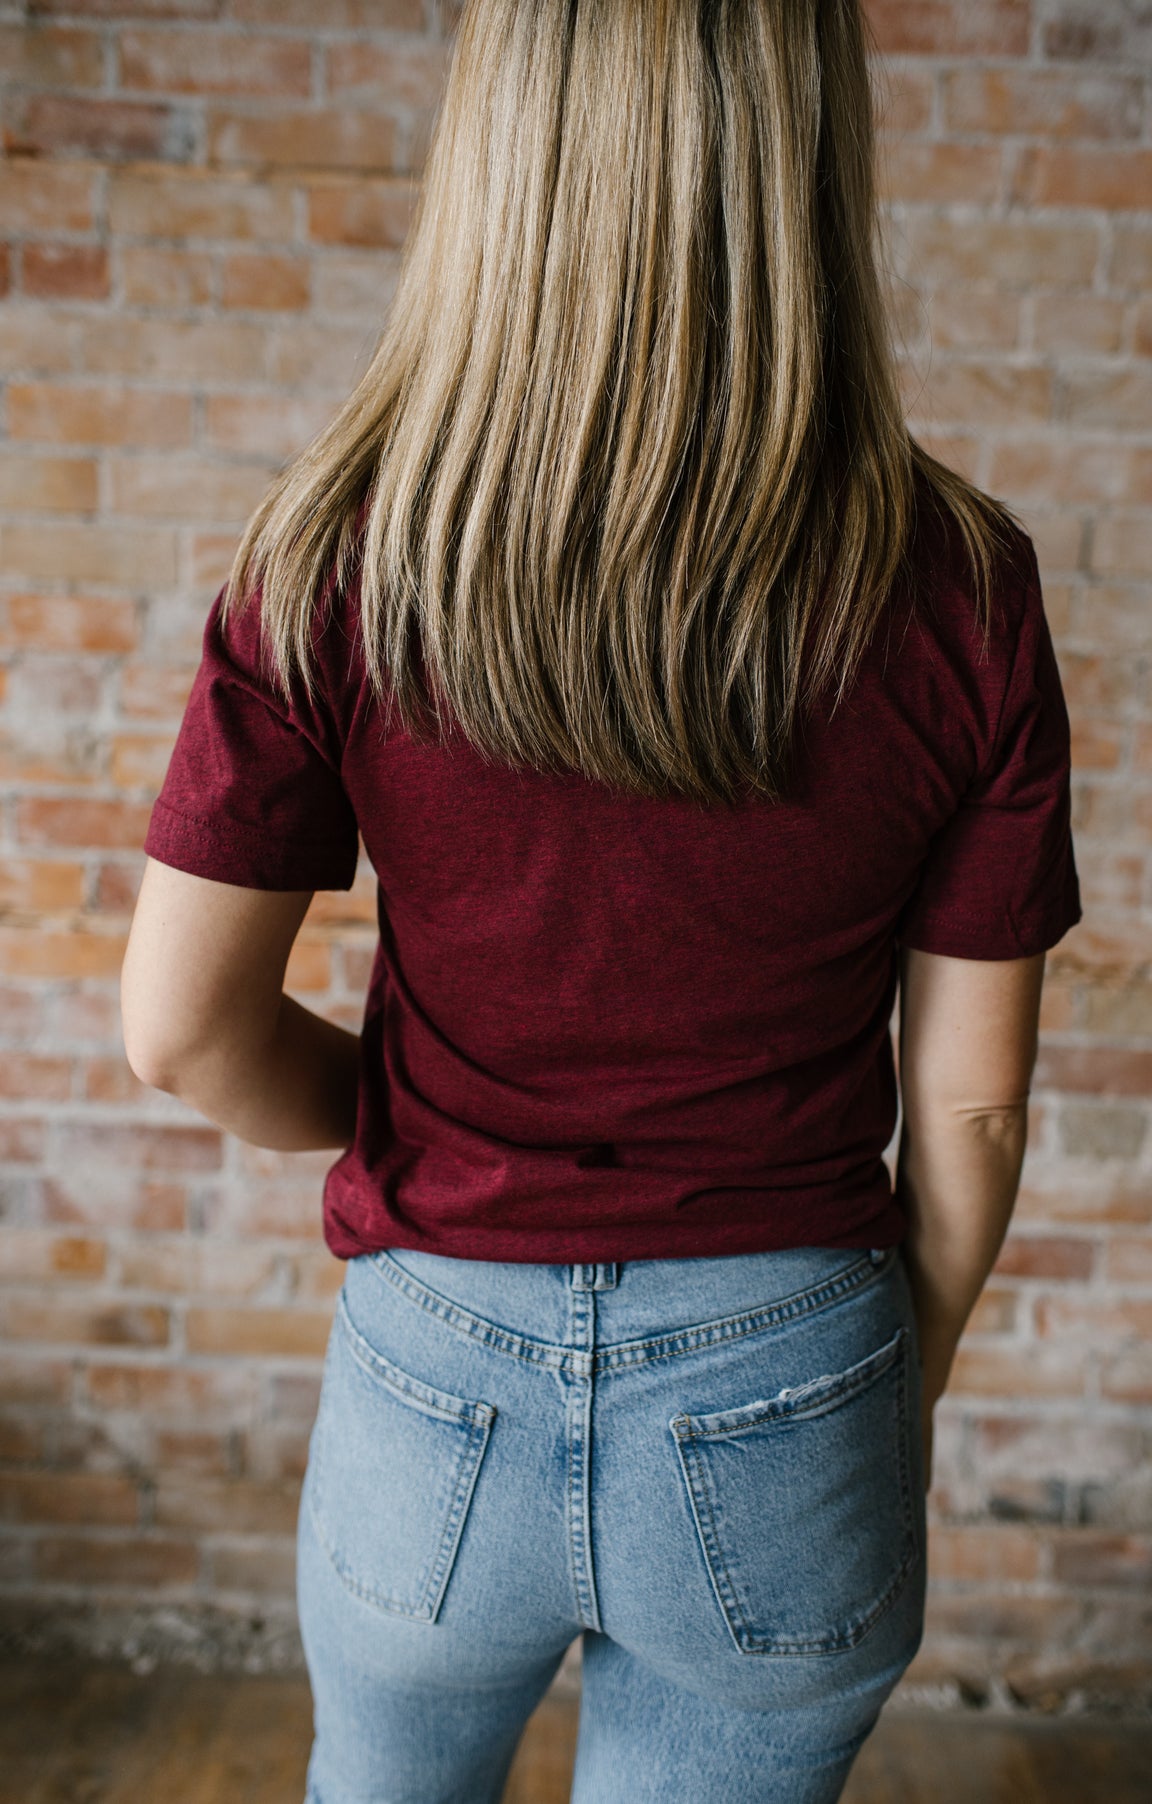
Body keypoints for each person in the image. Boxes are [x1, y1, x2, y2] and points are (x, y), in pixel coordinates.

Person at [120, 1, 1082, 1799]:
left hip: (435, 1366)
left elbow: (178, 1032)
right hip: (794, 1354)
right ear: (810, 162)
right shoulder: (962, 587)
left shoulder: (334, 554)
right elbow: (975, 1100)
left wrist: (401, 1119)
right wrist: (895, 1376)